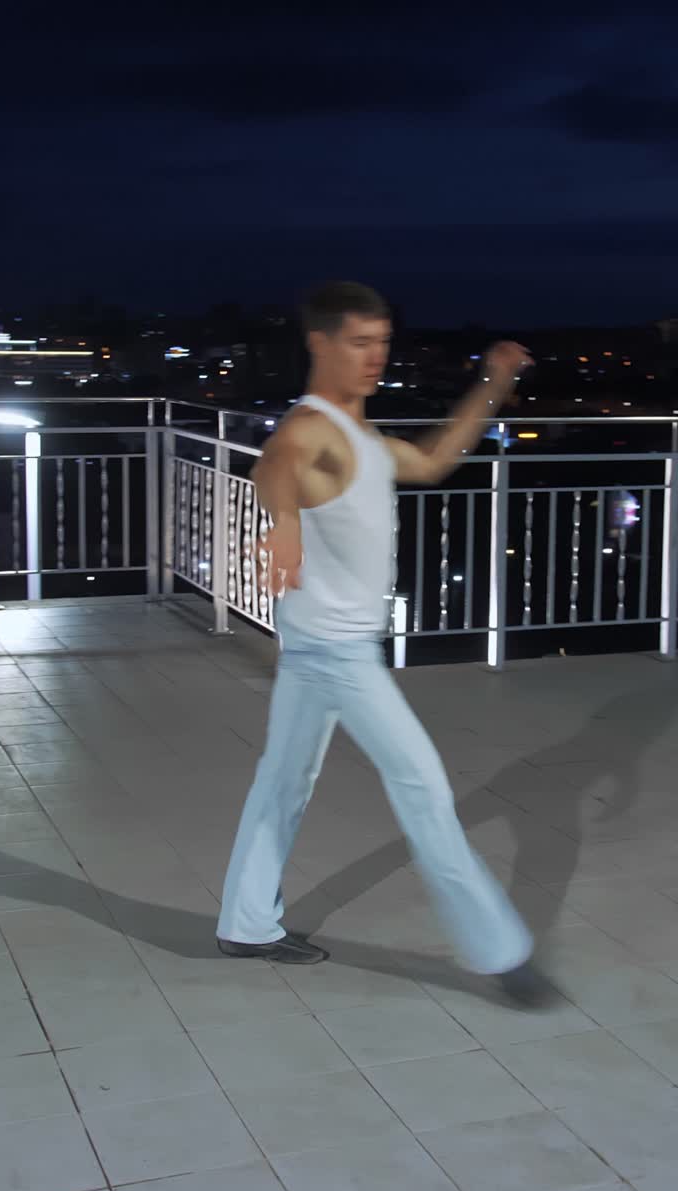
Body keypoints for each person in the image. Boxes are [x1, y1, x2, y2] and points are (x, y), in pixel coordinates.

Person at [216, 281, 550, 1004]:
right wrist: (284, 521)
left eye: (383, 343)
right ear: (320, 343)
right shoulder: (314, 431)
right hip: (338, 654)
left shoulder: (362, 439)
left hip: (315, 650)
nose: (375, 357)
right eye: (359, 343)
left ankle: (246, 923)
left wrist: (491, 383)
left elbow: (432, 462)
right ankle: (499, 952)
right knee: (424, 787)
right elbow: (274, 464)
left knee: (281, 783)